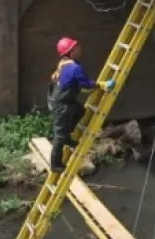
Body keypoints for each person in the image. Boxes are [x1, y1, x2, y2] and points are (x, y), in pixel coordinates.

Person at [47, 37, 114, 172]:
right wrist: (101, 85)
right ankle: (55, 165)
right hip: (61, 104)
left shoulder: (64, 63)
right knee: (59, 137)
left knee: (80, 111)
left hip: (62, 100)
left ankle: (66, 136)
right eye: (76, 47)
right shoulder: (75, 68)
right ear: (70, 52)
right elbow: (85, 84)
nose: (79, 49)